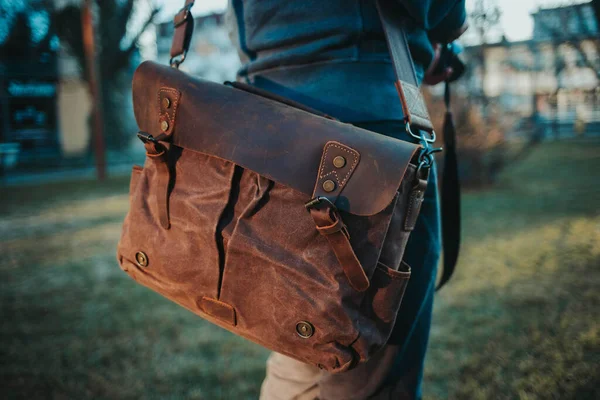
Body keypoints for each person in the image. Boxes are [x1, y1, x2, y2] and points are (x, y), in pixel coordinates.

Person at [225, 1, 468, 398]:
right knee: (372, 376)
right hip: (375, 136)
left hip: (265, 132)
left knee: (298, 351)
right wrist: (446, 28)